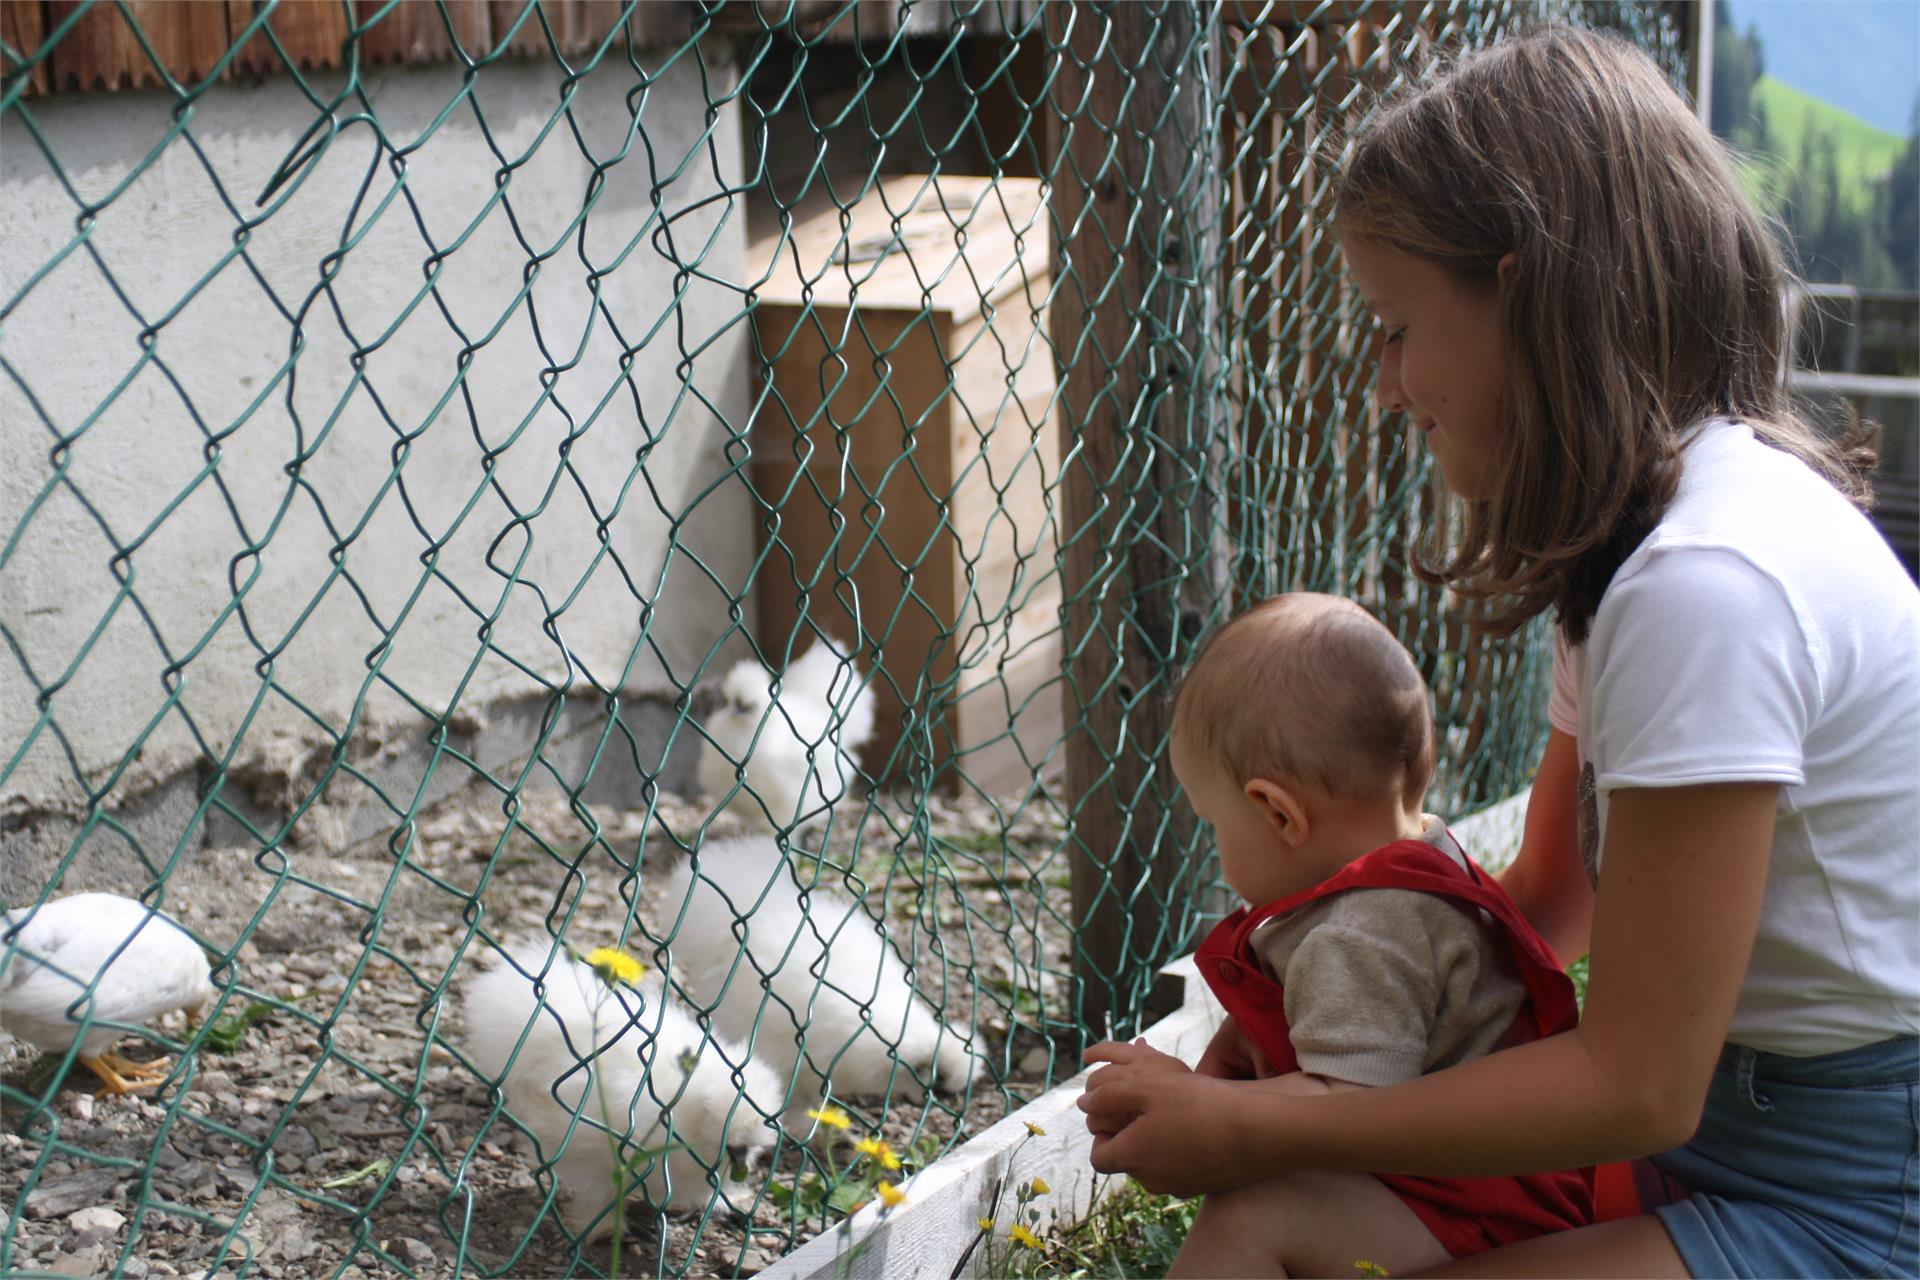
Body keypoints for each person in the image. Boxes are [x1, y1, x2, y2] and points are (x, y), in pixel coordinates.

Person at [1078, 25, 1920, 1280]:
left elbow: (1637, 1085)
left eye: (1396, 324)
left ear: (1526, 299)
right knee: (1269, 1224)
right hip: (1722, 1145)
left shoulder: (1707, 585)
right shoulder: (1642, 552)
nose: (1382, 382)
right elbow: (1547, 903)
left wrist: (1262, 1127)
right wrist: (1295, 1040)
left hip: (1853, 1197)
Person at [1139, 592, 1593, 1275]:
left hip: (1487, 1224)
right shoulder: (1423, 861)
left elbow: (1349, 1103)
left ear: (1278, 813)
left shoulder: (1360, 931)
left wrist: (1206, 1111)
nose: (1215, 842)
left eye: (1214, 823)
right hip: (1483, 1194)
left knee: (1254, 1216)